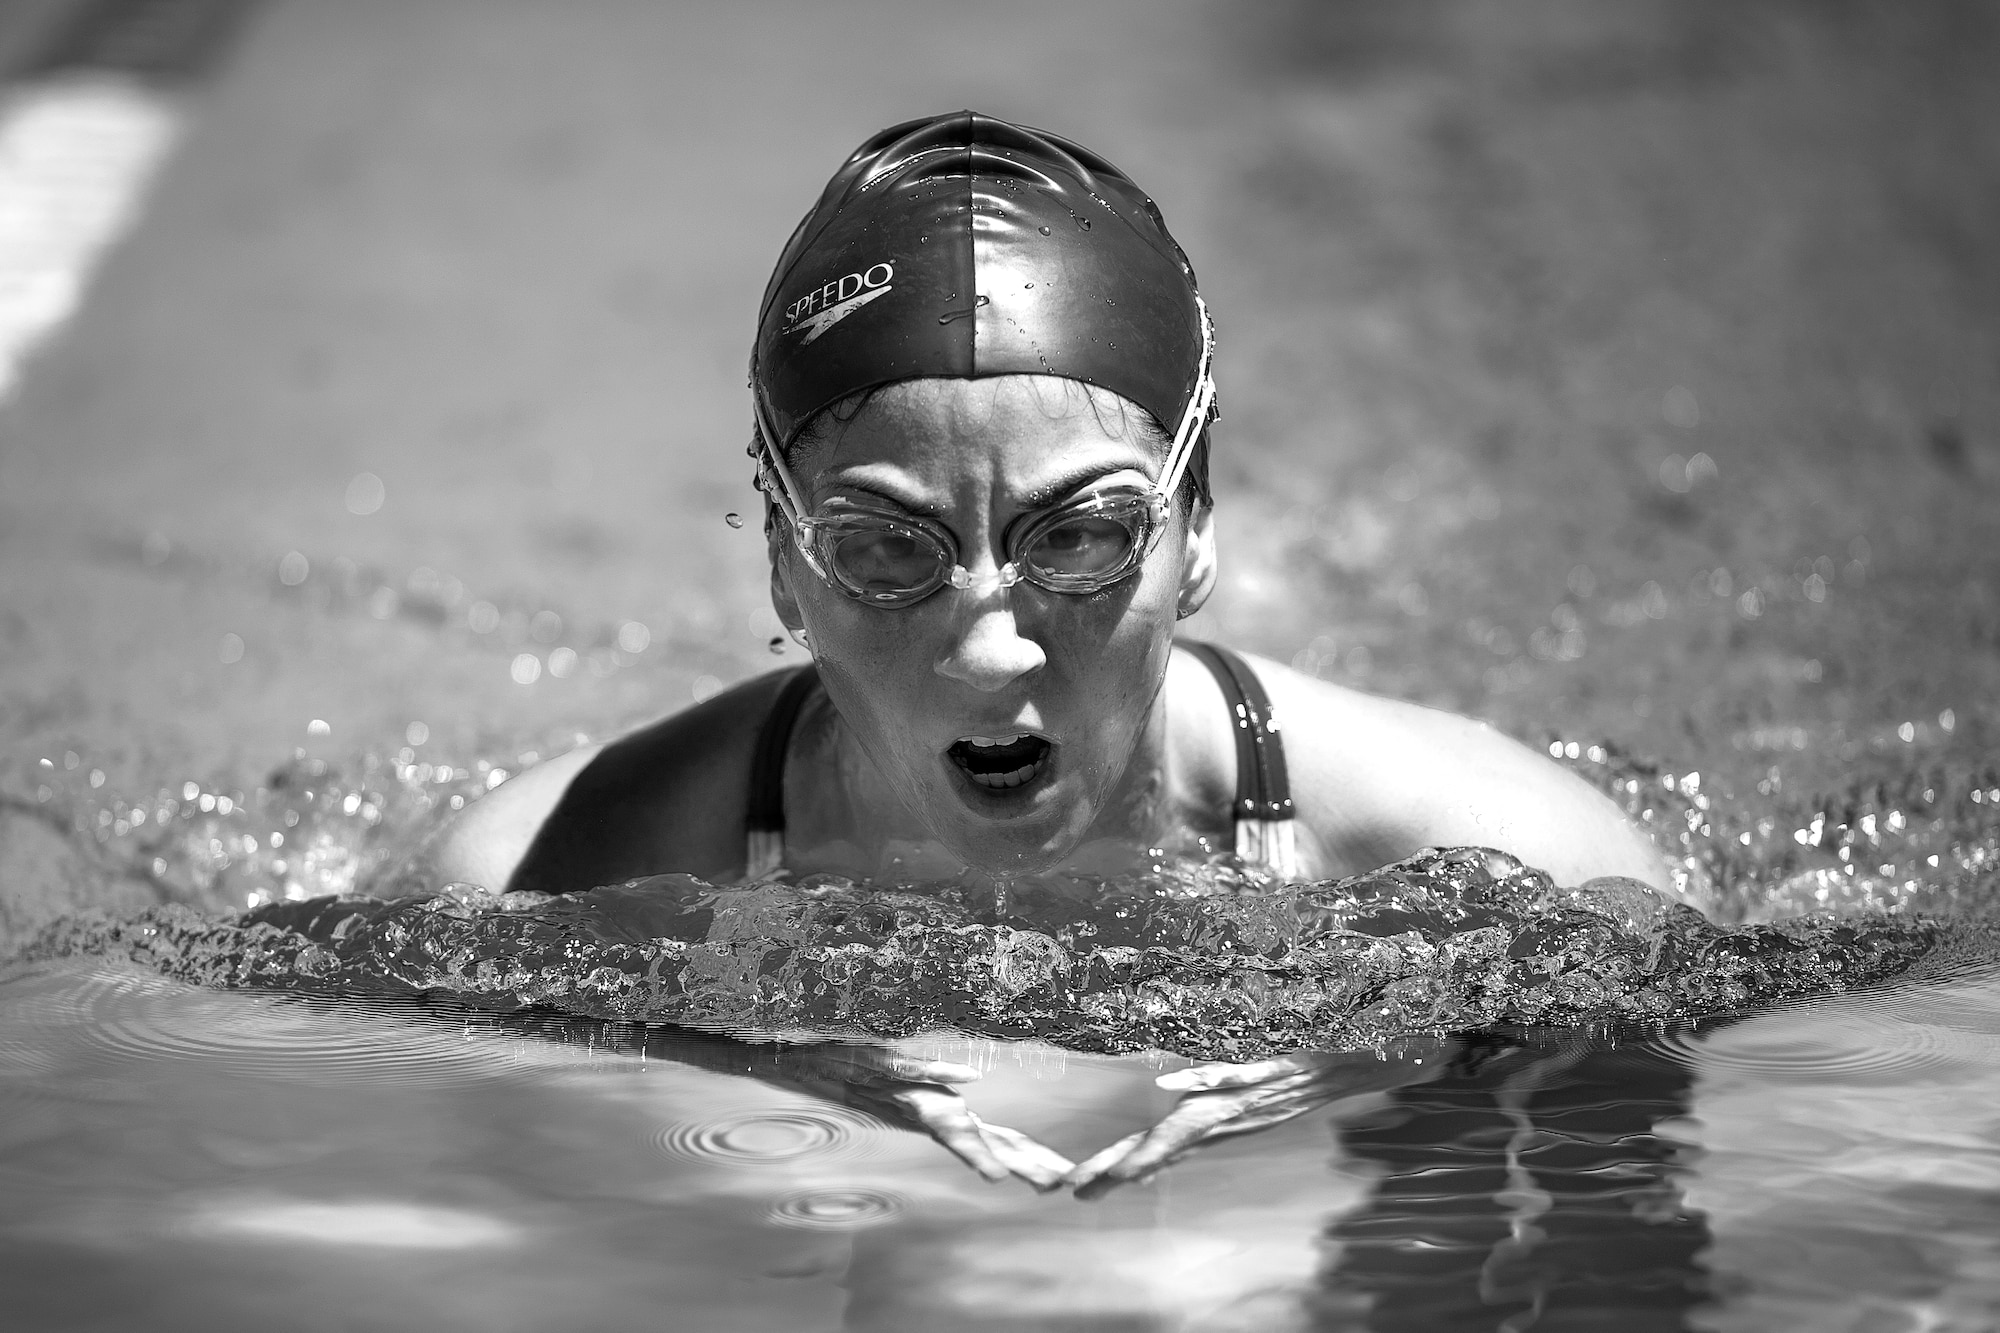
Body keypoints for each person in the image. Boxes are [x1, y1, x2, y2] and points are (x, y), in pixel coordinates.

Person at [428, 111, 1673, 1194]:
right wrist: (697, 1047)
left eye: (1080, 535)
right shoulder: (523, 880)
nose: (985, 652)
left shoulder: (1513, 852)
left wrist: (1431, 1042)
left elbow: (1670, 1042)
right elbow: (363, 1026)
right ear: (779, 563)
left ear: (1197, 529)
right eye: (883, 549)